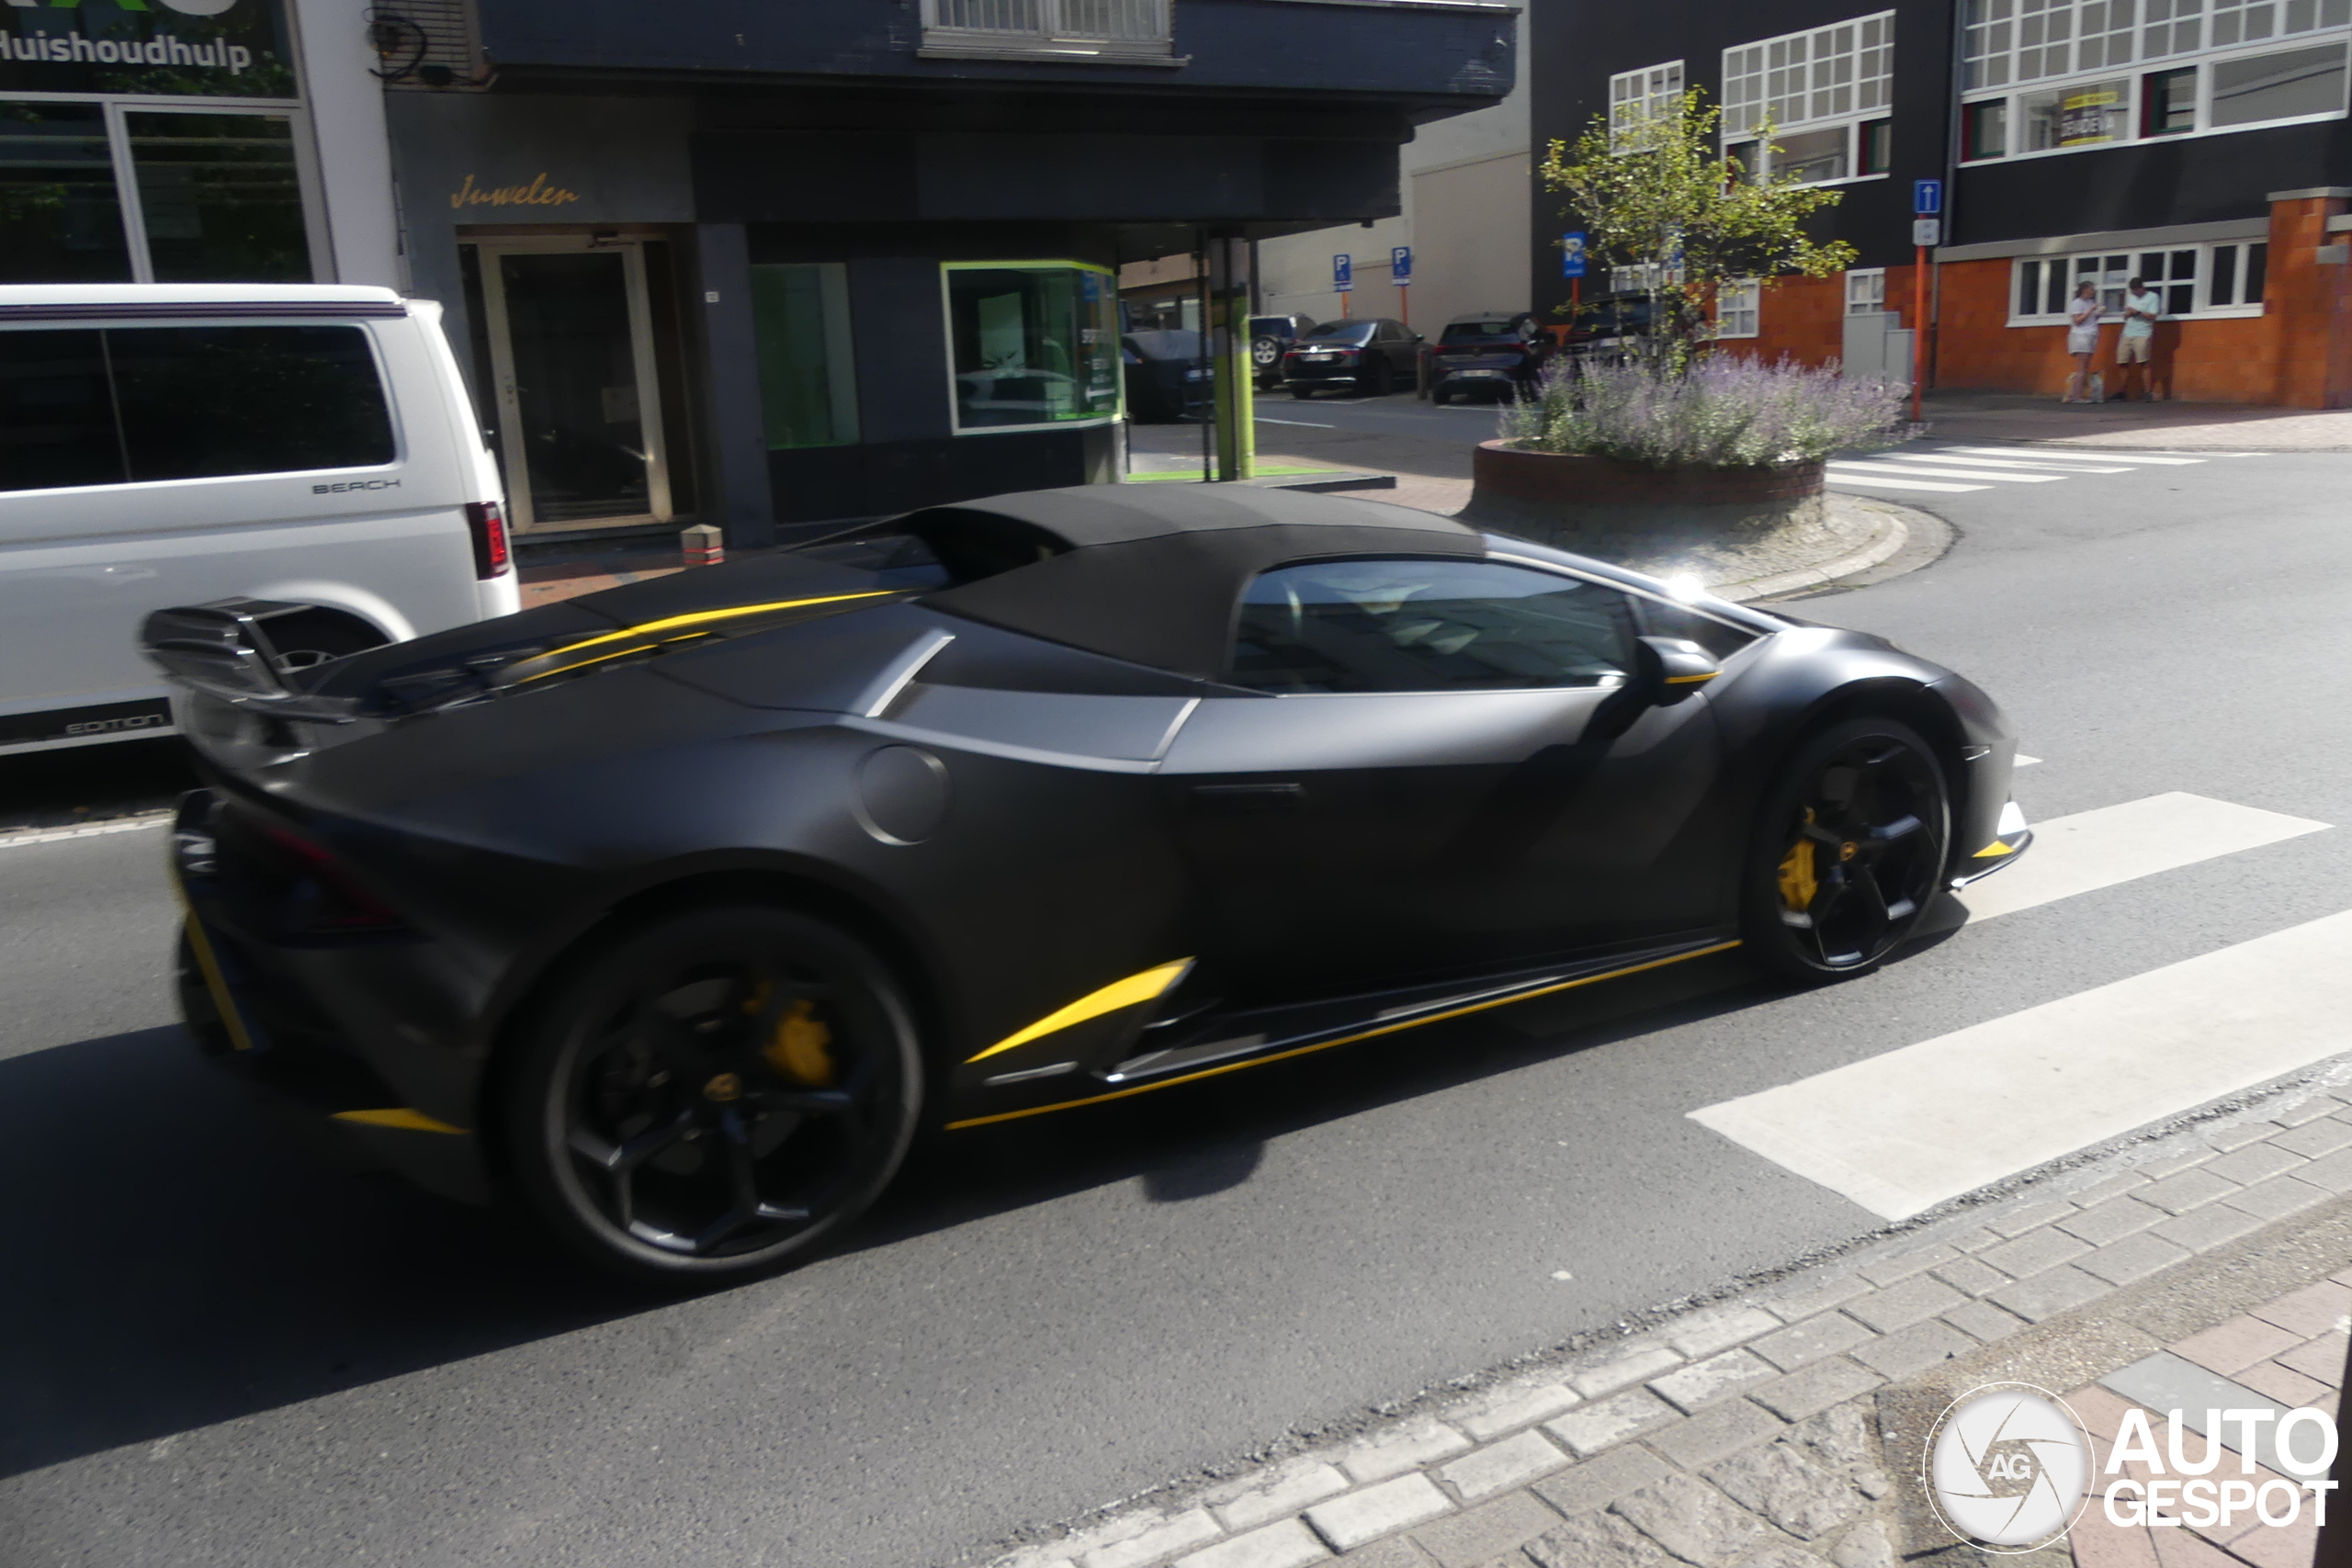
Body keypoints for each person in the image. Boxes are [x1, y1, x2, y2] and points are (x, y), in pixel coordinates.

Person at [2115, 275, 2162, 400]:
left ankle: (2148, 392)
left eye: (2137, 290)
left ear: (2142, 287)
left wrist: (2138, 312)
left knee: (2143, 362)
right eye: (2133, 291)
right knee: (2122, 362)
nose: (2135, 293)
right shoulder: (2131, 298)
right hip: (2127, 332)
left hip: (2143, 333)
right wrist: (2128, 314)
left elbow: (2153, 316)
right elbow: (2127, 314)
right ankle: (2121, 391)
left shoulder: (2153, 297)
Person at [2063, 280, 2102, 403]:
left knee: (2085, 367)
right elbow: (2077, 321)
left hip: (2090, 335)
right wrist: (2090, 310)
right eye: (2091, 289)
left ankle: (2072, 395)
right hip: (2081, 336)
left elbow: (2091, 319)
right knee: (2081, 368)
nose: (2093, 291)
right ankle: (2076, 396)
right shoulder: (2076, 303)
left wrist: (2099, 314)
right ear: (2084, 290)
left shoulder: (2090, 302)